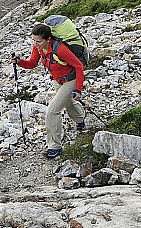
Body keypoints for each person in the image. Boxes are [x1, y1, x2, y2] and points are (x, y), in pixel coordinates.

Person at [12, 23, 86, 158]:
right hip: (57, 80)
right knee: (68, 103)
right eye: (34, 40)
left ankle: (54, 147)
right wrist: (19, 61)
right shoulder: (39, 48)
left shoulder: (61, 49)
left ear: (48, 39)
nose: (36, 44)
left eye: (39, 41)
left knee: (52, 111)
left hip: (71, 81)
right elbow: (32, 64)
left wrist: (78, 89)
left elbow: (78, 66)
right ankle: (81, 119)